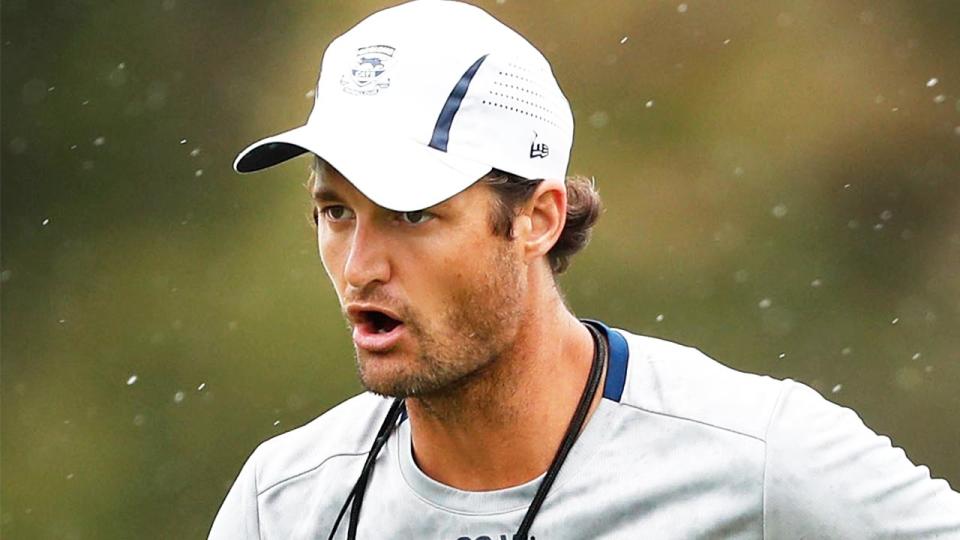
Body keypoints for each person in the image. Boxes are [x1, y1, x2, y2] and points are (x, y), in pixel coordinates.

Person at [210, 1, 960, 538]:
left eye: (413, 214)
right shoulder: (284, 503)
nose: (359, 267)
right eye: (337, 212)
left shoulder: (766, 458)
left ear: (538, 218)